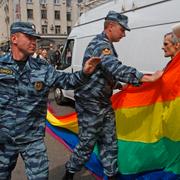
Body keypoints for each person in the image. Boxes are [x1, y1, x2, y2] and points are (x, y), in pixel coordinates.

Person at [63, 11, 163, 180]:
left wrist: (120, 85)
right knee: (86, 145)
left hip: (103, 104)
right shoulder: (101, 45)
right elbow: (115, 67)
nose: (124, 34)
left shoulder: (106, 44)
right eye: (122, 30)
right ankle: (69, 174)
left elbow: (104, 74)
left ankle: (111, 175)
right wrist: (146, 77)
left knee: (109, 142)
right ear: (110, 27)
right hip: (90, 105)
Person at [0, 21, 100, 180]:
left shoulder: (42, 67)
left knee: (40, 177)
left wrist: (85, 73)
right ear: (14, 39)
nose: (34, 42)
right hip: (4, 140)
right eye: (29, 37)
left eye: (35, 38)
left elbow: (67, 81)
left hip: (32, 139)